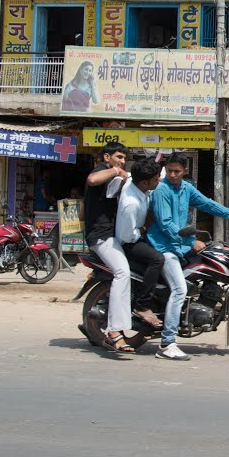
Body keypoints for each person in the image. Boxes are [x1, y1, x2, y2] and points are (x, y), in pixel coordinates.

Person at [147, 152, 229, 361]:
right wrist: (189, 242)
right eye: (169, 170)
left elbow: (209, 205)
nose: (172, 174)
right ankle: (167, 343)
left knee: (214, 260)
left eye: (177, 171)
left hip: (181, 245)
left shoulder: (186, 188)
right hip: (164, 247)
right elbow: (165, 223)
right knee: (179, 289)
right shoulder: (162, 190)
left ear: (185, 171)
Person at [83, 141, 135, 353]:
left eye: (124, 159)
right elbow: (92, 179)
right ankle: (115, 331)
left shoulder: (112, 178)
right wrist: (117, 171)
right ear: (107, 157)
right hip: (101, 237)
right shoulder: (100, 171)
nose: (122, 162)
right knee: (122, 272)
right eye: (118, 157)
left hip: (111, 235)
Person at [114, 158, 164, 330]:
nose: (159, 181)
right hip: (130, 243)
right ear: (144, 182)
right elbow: (128, 236)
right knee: (157, 259)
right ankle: (141, 304)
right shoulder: (131, 204)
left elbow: (127, 175)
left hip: (138, 236)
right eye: (156, 179)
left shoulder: (135, 183)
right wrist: (145, 226)